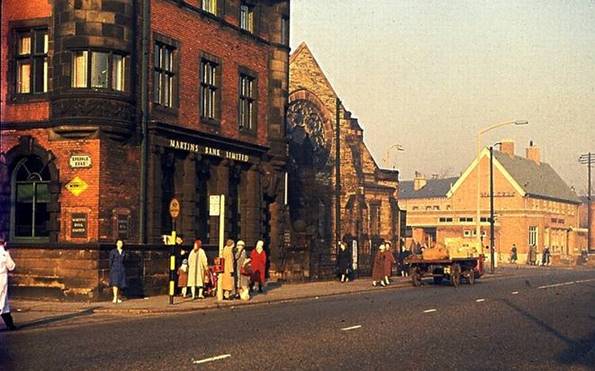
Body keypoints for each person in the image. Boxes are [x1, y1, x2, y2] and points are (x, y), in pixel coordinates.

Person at [0, 240, 16, 331]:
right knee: (1, 302)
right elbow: (11, 266)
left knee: (4, 304)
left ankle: (10, 325)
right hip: (1, 280)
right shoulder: (4, 253)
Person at [109, 240, 127, 304]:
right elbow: (110, 261)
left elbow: (125, 261)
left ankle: (118, 297)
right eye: (119, 243)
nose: (120, 244)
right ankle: (115, 297)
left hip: (121, 269)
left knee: (120, 284)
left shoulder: (124, 252)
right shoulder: (113, 252)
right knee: (115, 283)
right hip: (115, 269)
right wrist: (111, 269)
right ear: (116, 244)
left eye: (121, 243)